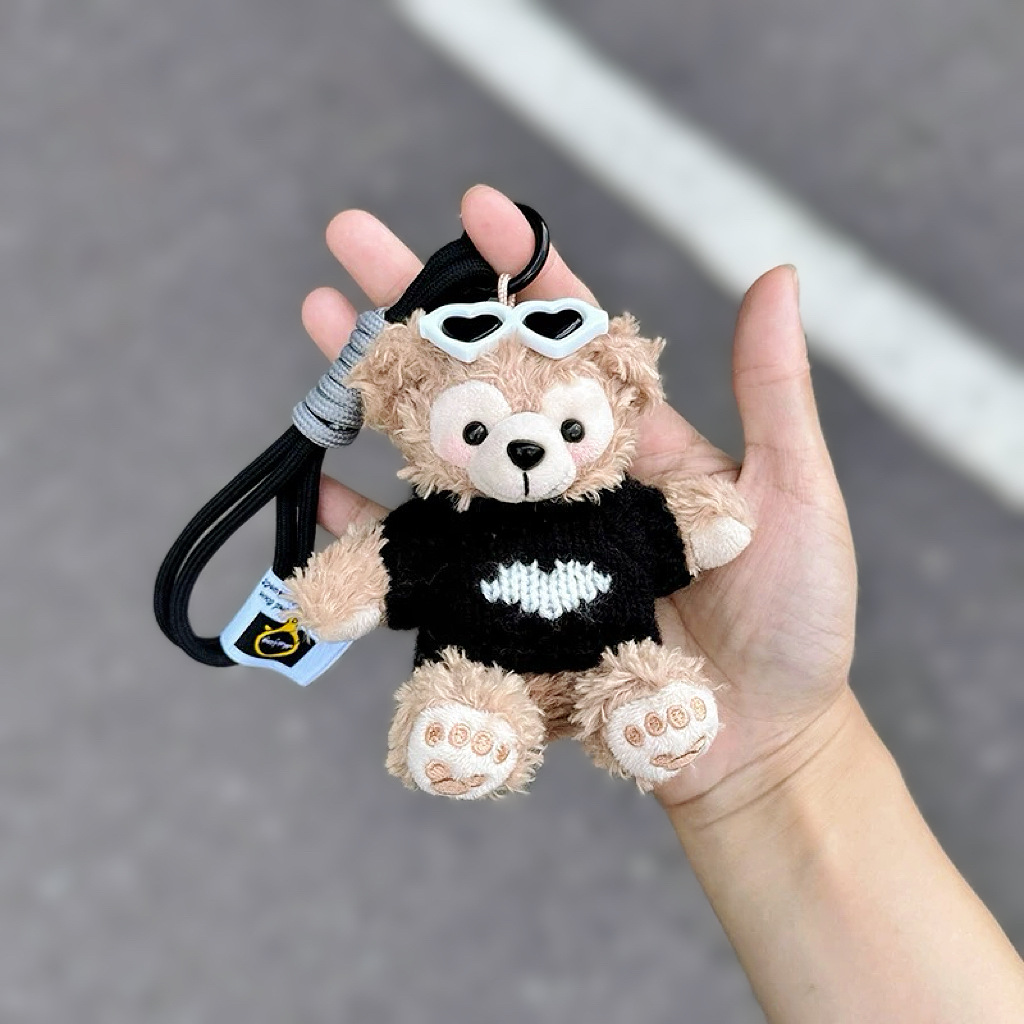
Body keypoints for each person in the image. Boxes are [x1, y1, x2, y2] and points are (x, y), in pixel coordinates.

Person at [299, 184, 1024, 1022]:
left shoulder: (621, 513)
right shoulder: (440, 525)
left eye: (569, 429)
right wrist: (335, 598)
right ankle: (477, 728)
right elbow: (374, 569)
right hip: (488, 675)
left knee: (646, 678)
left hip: (618, 663)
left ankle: (643, 709)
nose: (527, 449)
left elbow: (693, 526)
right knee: (465, 693)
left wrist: (715, 527)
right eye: (477, 431)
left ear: (619, 396)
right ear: (408, 408)